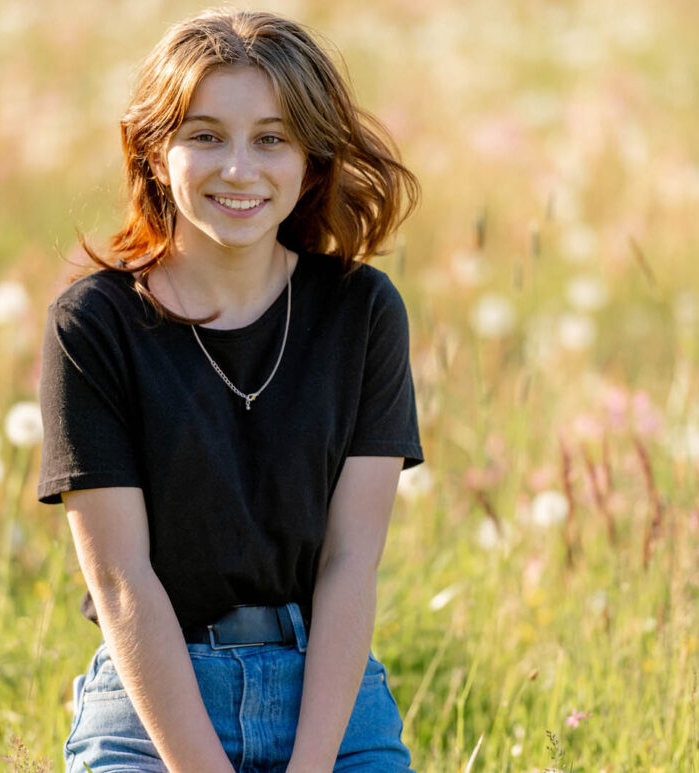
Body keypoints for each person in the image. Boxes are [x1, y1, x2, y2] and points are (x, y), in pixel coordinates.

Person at [37, 9, 423, 772]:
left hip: (330, 702)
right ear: (153, 151)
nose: (239, 169)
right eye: (206, 135)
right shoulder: (93, 326)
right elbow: (122, 583)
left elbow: (351, 562)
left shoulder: (363, 312)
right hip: (152, 708)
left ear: (312, 159)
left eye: (272, 138)